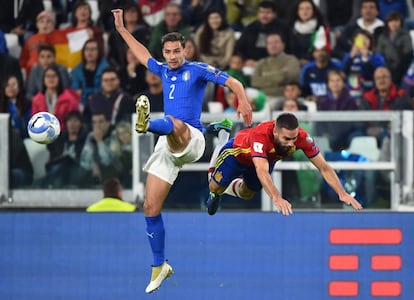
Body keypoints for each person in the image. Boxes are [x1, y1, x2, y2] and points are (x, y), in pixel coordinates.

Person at [112, 8, 252, 294]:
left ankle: (147, 123)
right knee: (150, 207)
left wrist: (243, 100)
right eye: (168, 52)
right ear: (163, 52)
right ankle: (159, 265)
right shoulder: (162, 69)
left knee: (175, 124)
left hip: (192, 138)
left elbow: (234, 81)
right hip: (168, 143)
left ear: (184, 50)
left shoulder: (197, 70)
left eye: (177, 51)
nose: (173, 56)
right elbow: (141, 54)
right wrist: (123, 30)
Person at [206, 112, 363, 216]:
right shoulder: (261, 136)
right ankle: (223, 135)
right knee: (214, 187)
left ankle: (226, 184)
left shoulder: (302, 137)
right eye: (286, 139)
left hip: (264, 161)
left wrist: (342, 193)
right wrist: (276, 197)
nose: (291, 143)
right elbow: (261, 170)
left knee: (247, 194)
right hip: (235, 154)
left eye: (293, 138)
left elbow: (324, 167)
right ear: (275, 132)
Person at [31, 65, 80, 132]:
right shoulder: (36, 100)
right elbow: (35, 124)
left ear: (59, 78)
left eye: (54, 76)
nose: (51, 79)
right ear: (43, 79)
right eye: (48, 76)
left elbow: (73, 120)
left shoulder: (69, 99)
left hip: (64, 134)